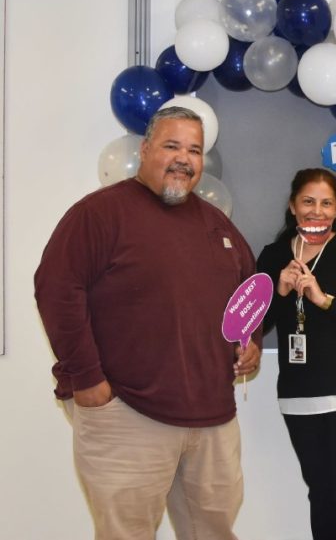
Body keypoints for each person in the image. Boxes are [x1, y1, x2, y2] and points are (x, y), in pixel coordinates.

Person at [34, 106, 260, 540]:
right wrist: (88, 379)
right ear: (144, 150)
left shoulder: (217, 225)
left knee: (214, 531)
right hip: (127, 412)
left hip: (212, 417)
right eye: (171, 145)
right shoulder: (100, 214)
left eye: (194, 150)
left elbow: (246, 298)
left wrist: (248, 344)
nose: (184, 158)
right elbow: (57, 290)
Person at [257, 168, 336, 540]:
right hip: (299, 396)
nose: (317, 210)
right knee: (321, 493)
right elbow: (256, 324)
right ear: (293, 206)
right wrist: (279, 291)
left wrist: (325, 300)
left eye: (326, 203)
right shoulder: (274, 255)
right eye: (308, 201)